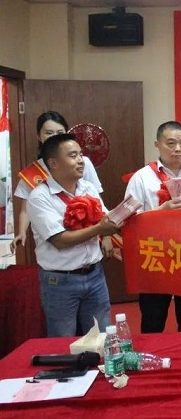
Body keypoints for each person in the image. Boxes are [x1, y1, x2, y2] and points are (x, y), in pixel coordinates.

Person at [26, 133, 120, 337]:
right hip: (60, 281)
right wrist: (100, 230)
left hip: (95, 275)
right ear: (53, 163)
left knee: (102, 336)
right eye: (73, 155)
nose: (80, 160)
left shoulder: (88, 188)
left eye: (80, 154)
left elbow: (105, 217)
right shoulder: (39, 197)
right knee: (63, 340)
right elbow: (60, 240)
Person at [125, 121, 181, 334]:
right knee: (153, 319)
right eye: (171, 143)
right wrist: (161, 211)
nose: (178, 149)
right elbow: (128, 221)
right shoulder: (142, 178)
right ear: (157, 145)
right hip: (155, 256)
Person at [13, 111, 103, 251]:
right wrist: (21, 232)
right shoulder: (33, 173)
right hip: (56, 234)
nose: (55, 136)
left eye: (60, 132)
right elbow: (26, 209)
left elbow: (96, 200)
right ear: (39, 136)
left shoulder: (82, 163)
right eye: (49, 133)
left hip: (89, 234)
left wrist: (106, 235)